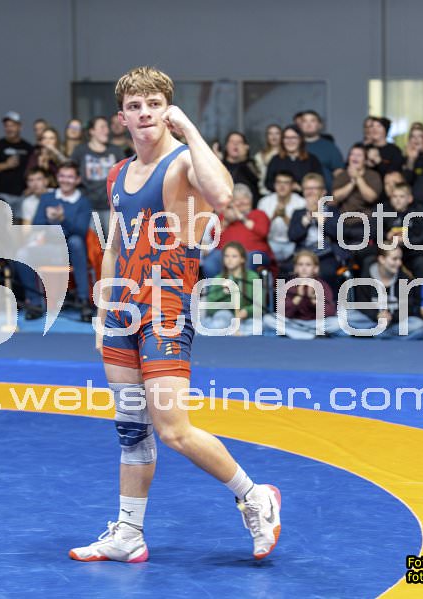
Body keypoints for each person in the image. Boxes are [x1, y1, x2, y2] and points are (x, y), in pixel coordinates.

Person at [76, 66, 282, 564]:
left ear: (167, 109)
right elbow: (116, 244)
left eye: (154, 104)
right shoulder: (118, 174)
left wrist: (189, 129)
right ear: (122, 117)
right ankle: (129, 534)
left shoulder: (185, 161)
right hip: (124, 312)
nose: (144, 113)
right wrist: (104, 311)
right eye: (135, 106)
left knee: (172, 429)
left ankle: (254, 495)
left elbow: (223, 195)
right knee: (131, 428)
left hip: (165, 308)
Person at [19, 161, 93, 321]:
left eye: (70, 177)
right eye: (62, 176)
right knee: (21, 253)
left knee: (76, 242)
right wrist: (52, 222)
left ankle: (83, 301)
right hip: (49, 248)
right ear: (57, 177)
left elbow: (80, 231)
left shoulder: (83, 202)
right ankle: (34, 303)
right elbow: (36, 225)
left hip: (70, 251)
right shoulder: (48, 197)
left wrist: (61, 219)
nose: (65, 180)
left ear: (77, 180)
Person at [343, 245, 423, 339]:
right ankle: (385, 336)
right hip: (371, 321)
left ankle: (371, 334)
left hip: (394, 323)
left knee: (419, 325)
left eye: (400, 259)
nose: (399, 263)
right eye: (394, 259)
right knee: (345, 317)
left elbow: (408, 308)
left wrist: (391, 317)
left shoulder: (405, 279)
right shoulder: (366, 277)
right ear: (382, 259)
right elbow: (361, 303)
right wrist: (377, 316)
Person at [264, 249, 340, 340]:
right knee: (268, 319)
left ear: (315, 269)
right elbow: (282, 312)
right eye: (300, 265)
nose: (304, 268)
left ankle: (297, 333)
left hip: (315, 323)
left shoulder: (322, 285)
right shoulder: (289, 285)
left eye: (308, 265)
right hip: (293, 322)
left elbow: (330, 312)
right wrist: (298, 297)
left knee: (338, 322)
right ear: (295, 268)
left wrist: (313, 299)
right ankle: (310, 335)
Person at [200, 184, 272, 278]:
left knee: (249, 261)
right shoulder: (225, 216)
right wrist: (226, 221)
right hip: (225, 253)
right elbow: (214, 234)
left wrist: (242, 218)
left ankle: (240, 287)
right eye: (237, 199)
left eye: (245, 198)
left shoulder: (259, 214)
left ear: (251, 200)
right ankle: (217, 287)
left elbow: (263, 232)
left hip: (257, 253)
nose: (241, 201)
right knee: (209, 264)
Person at [287, 173, 346, 285]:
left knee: (326, 272)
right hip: (303, 255)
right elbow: (292, 236)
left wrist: (321, 220)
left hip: (326, 255)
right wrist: (306, 220)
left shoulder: (332, 211)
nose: (310, 192)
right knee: (286, 272)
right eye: (307, 188)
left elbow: (338, 234)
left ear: (323, 192)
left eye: (314, 188)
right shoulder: (298, 213)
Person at [71, 116, 123, 232]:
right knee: (93, 242)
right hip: (89, 206)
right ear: (92, 131)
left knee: (113, 242)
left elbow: (125, 174)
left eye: (107, 127)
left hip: (111, 207)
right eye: (102, 127)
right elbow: (71, 171)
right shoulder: (81, 151)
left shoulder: (115, 150)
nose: (107, 130)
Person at [200, 242, 261, 336]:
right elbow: (210, 308)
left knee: (258, 326)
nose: (229, 260)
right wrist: (224, 294)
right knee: (221, 321)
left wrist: (245, 312)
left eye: (234, 256)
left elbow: (259, 306)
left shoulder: (253, 277)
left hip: (247, 318)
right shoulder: (218, 278)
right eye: (226, 256)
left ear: (242, 259)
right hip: (224, 317)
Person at [331, 144, 382, 249]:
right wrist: (352, 183)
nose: (355, 157)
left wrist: (358, 178)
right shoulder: (342, 175)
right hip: (344, 221)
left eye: (359, 155)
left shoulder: (373, 175)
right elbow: (336, 197)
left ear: (365, 160)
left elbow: (371, 197)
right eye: (352, 154)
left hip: (365, 221)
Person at [379, 183, 423, 278]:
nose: (397, 199)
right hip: (391, 252)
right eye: (394, 196)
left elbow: (422, 236)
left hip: (412, 253)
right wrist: (387, 236)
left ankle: (421, 287)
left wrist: (406, 240)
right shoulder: (384, 213)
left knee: (421, 262)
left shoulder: (418, 213)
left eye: (401, 196)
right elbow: (375, 232)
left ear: (410, 198)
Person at [0, 111, 34, 212]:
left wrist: (31, 187)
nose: (9, 129)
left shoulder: (28, 148)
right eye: (7, 126)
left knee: (21, 222)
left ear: (20, 127)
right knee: (2, 221)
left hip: (23, 194)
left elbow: (34, 169)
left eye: (12, 125)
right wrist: (6, 165)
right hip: (2, 195)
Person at [257, 170, 306, 264]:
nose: (282, 186)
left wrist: (284, 216)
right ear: (274, 185)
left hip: (293, 244)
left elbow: (300, 231)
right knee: (257, 257)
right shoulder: (264, 202)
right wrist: (273, 216)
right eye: (279, 182)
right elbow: (259, 230)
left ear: (293, 185)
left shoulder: (301, 203)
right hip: (270, 242)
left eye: (286, 183)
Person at [264, 126, 322, 193]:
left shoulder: (312, 160)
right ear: (282, 140)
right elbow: (268, 183)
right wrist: (285, 187)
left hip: (306, 197)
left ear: (300, 140)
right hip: (282, 197)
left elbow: (318, 182)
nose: (290, 141)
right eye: (286, 138)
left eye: (294, 137)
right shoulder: (275, 160)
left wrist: (301, 188)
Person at [296, 110, 344, 188]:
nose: (308, 124)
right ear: (300, 126)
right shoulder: (294, 146)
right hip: (299, 193)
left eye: (312, 121)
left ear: (320, 125)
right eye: (305, 121)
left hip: (326, 193)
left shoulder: (330, 147)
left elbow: (339, 172)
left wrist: (336, 193)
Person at [220, 131, 260, 202]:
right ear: (226, 146)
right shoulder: (220, 166)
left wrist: (243, 159)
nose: (235, 144)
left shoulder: (250, 164)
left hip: (246, 205)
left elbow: (257, 179)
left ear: (246, 147)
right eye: (232, 142)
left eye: (239, 142)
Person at [253, 124, 281, 197]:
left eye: (277, 133)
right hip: (261, 192)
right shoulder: (259, 156)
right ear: (267, 136)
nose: (274, 136)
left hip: (278, 192)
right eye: (270, 133)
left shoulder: (285, 156)